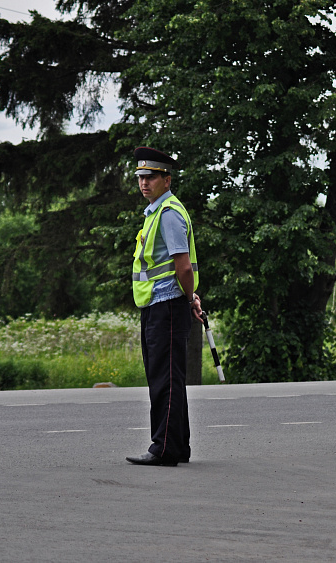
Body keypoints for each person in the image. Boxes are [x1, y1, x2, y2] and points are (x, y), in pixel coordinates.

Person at [126, 146, 202, 467]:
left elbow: (182, 266)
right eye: (141, 177)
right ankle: (178, 446)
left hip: (166, 306)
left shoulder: (169, 214)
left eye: (151, 177)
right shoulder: (157, 212)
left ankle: (164, 448)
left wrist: (187, 298)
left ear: (166, 180)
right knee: (170, 377)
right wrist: (192, 297)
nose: (144, 182)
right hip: (162, 305)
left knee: (165, 379)